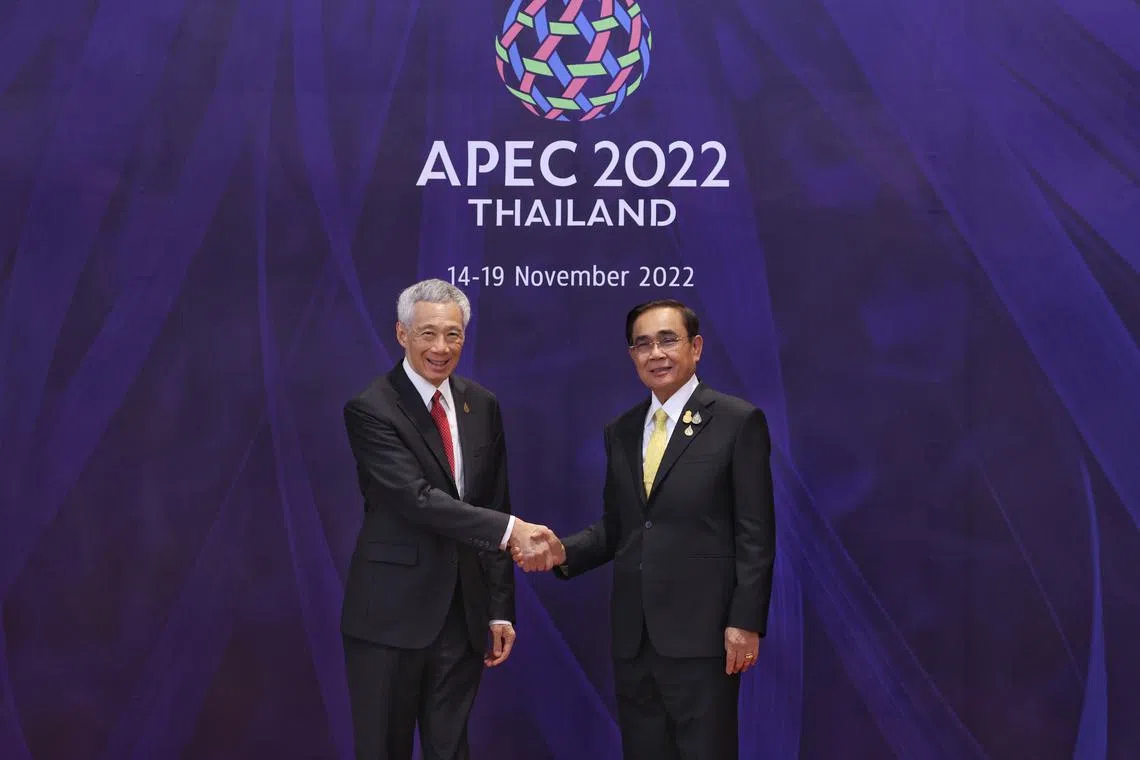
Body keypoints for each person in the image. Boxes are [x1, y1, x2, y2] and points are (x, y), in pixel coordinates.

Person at [517, 298, 776, 760]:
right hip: (635, 639)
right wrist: (564, 551)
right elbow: (622, 526)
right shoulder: (622, 430)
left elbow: (755, 533)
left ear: (696, 347)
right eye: (642, 344)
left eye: (667, 340)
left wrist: (746, 621)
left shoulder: (737, 421)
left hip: (705, 636)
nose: (655, 353)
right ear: (632, 356)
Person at [341, 278, 558, 760]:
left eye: (453, 334)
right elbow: (416, 499)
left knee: (451, 750)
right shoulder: (371, 408)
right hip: (389, 618)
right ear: (402, 334)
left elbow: (495, 499)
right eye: (428, 334)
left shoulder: (481, 404)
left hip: (463, 616)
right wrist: (511, 531)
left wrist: (500, 605)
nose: (442, 348)